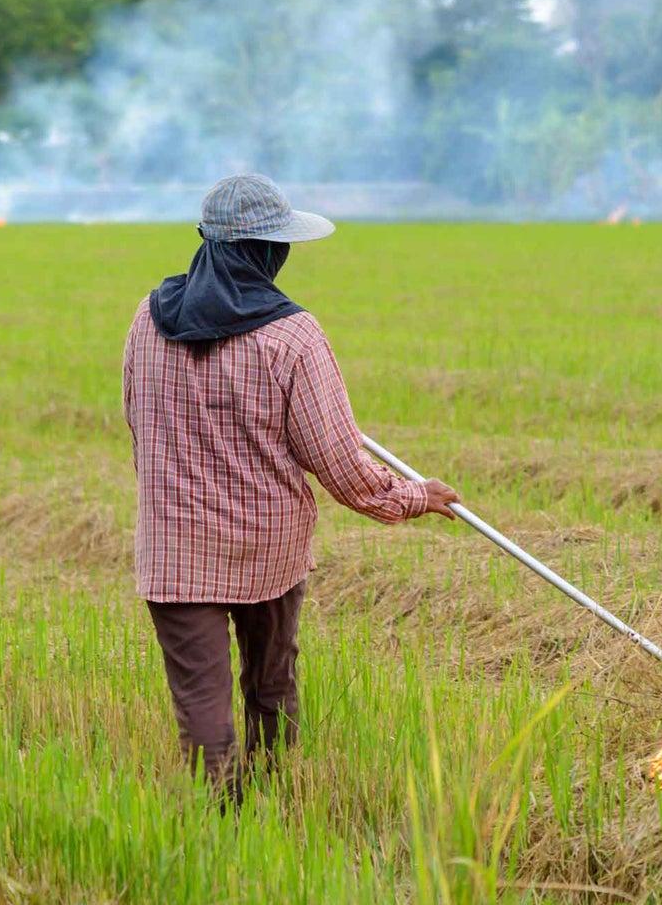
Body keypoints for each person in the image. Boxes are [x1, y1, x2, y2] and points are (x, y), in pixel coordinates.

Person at [122, 173, 458, 797]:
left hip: (173, 548)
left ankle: (219, 823)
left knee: (201, 702)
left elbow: (139, 421)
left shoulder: (149, 317)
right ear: (265, 252)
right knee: (271, 683)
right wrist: (415, 495)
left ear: (207, 242)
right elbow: (338, 461)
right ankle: (274, 797)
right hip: (266, 548)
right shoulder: (292, 335)